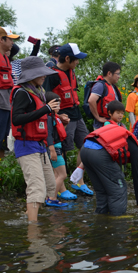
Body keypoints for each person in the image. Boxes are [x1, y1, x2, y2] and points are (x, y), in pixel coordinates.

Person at [11, 57, 69, 222]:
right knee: (36, 188)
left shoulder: (39, 92)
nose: (44, 76)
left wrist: (58, 117)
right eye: (41, 73)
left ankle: (28, 218)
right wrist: (46, 109)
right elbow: (16, 119)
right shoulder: (22, 93)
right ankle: (33, 231)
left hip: (39, 146)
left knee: (50, 186)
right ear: (30, 75)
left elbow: (41, 117)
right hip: (26, 145)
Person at [74, 124, 138, 216]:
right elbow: (137, 182)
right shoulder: (136, 151)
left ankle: (101, 217)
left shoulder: (129, 142)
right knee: (118, 189)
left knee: (102, 190)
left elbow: (96, 144)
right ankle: (118, 220)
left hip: (85, 150)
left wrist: (81, 167)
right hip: (99, 155)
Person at [42, 42, 93, 196]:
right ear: (66, 58)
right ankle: (60, 188)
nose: (78, 62)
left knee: (86, 144)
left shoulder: (71, 72)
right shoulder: (50, 75)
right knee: (61, 150)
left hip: (76, 114)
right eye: (75, 59)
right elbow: (45, 99)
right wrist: (57, 116)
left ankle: (78, 181)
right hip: (61, 117)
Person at [44, 91, 76, 201]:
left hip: (57, 148)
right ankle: (52, 198)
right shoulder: (49, 118)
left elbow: (58, 134)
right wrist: (52, 149)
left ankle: (51, 196)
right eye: (56, 104)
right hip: (54, 149)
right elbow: (48, 134)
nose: (59, 106)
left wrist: (65, 124)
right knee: (62, 175)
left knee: (57, 175)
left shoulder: (54, 117)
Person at [0, 27, 19, 159]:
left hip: (6, 105)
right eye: (10, 40)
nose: (13, 43)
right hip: (1, 105)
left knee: (2, 141)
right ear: (1, 39)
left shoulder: (6, 58)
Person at [88, 61, 122, 130]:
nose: (119, 76)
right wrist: (98, 118)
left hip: (112, 124)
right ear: (109, 73)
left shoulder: (113, 87)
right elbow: (91, 100)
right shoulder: (100, 85)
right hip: (102, 125)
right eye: (117, 74)